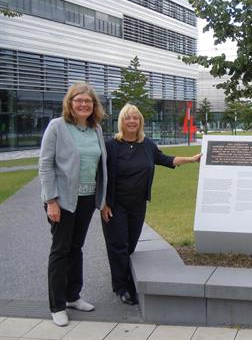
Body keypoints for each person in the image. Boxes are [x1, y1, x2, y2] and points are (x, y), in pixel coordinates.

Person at [101, 103, 201, 305]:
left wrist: (191, 159)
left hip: (138, 205)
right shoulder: (110, 146)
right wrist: (103, 203)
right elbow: (99, 176)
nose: (132, 121)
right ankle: (123, 287)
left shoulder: (147, 145)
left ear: (140, 122)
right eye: (128, 118)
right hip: (115, 204)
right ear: (122, 121)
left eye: (135, 118)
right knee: (118, 246)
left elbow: (166, 159)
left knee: (129, 245)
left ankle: (120, 280)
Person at [38, 82, 107, 327]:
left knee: (76, 247)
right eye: (79, 100)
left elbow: (99, 165)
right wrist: (51, 201)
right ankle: (57, 305)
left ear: (93, 105)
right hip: (63, 200)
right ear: (70, 102)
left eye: (88, 101)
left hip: (87, 199)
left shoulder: (95, 129)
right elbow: (45, 165)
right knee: (60, 250)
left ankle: (72, 296)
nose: (84, 104)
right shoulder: (57, 127)